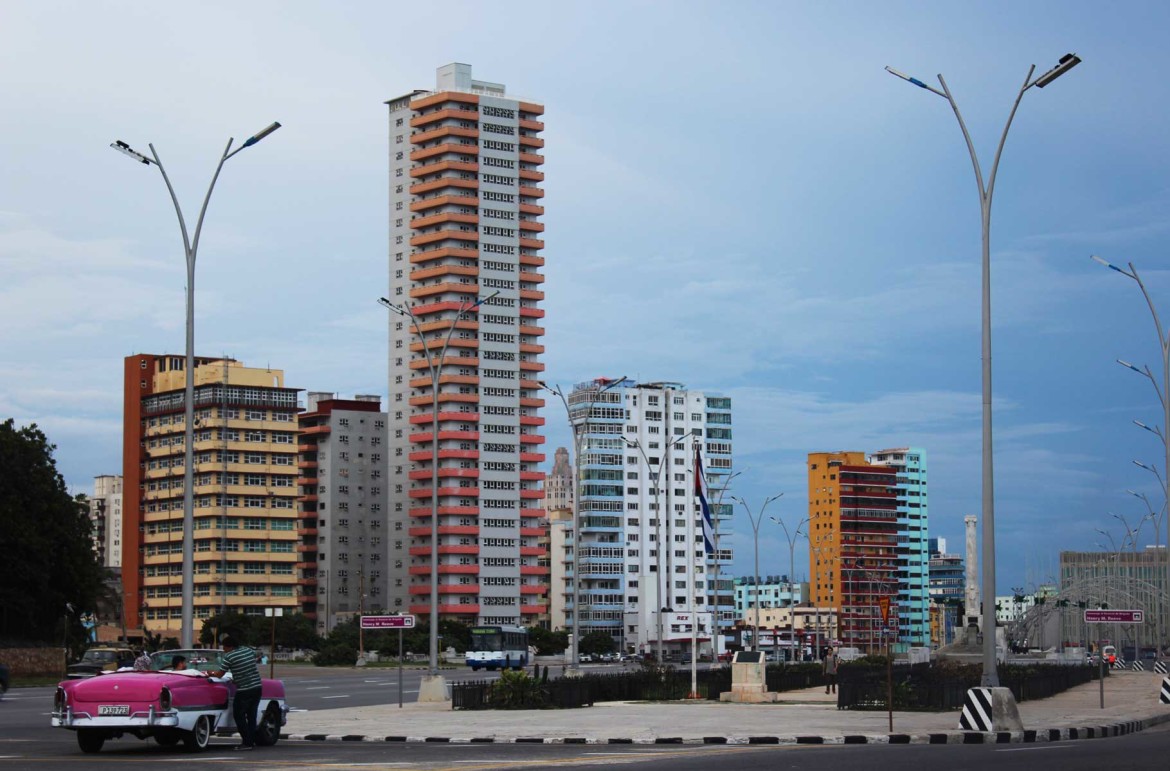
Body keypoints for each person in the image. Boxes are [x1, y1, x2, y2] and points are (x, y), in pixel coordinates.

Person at [211, 635, 263, 751]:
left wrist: (211, 673)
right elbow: (247, 667)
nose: (223, 650)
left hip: (244, 690)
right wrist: (238, 678)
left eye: (224, 647)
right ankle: (251, 740)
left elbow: (220, 674)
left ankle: (246, 742)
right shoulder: (248, 650)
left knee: (238, 715)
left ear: (229, 647)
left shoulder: (229, 657)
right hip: (257, 687)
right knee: (251, 715)